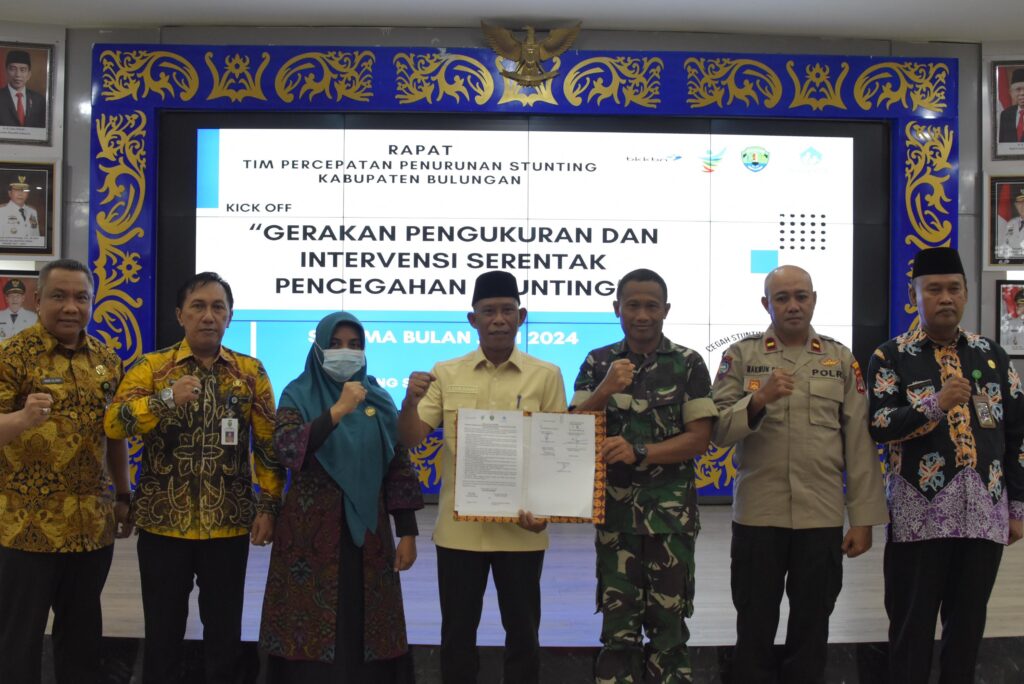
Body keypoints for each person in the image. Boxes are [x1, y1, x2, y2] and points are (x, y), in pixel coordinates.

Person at [104, 272, 285, 684]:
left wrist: (270, 505)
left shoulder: (249, 371)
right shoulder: (153, 368)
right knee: (163, 635)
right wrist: (165, 399)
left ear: (230, 316)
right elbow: (114, 423)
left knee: (224, 635)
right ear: (180, 315)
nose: (208, 316)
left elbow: (269, 445)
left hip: (227, 526)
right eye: (198, 307)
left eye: (218, 307)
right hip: (163, 526)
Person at [710, 265, 888, 684]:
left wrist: (862, 519)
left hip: (820, 516)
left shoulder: (840, 358)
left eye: (801, 296)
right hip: (758, 516)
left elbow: (859, 444)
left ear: (813, 299)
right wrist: (759, 399)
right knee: (753, 624)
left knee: (812, 626)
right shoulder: (741, 357)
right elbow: (717, 430)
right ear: (766, 304)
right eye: (782, 297)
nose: (793, 305)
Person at [397, 270, 566, 684]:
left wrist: (546, 514)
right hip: (459, 533)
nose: (498, 319)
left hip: (523, 529)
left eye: (508, 310)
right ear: (472, 319)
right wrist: (410, 400)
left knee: (524, 636)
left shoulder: (546, 375)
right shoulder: (446, 373)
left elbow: (556, 450)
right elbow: (411, 439)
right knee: (457, 636)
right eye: (488, 311)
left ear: (522, 316)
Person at [868, 247, 1024, 684]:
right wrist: (933, 406)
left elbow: (1017, 434)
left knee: (967, 630)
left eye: (953, 289)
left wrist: (1017, 508)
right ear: (914, 295)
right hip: (920, 521)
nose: (945, 298)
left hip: (985, 519)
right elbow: (879, 425)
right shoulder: (891, 356)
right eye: (933, 289)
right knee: (911, 629)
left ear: (967, 293)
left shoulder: (991, 355)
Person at [260, 312, 424, 683]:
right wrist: (336, 412)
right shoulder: (296, 394)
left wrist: (408, 533)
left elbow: (397, 465)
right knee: (309, 632)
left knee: (366, 626)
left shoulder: (378, 398)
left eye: (354, 345)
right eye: (335, 345)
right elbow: (287, 449)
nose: (345, 352)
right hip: (308, 539)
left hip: (369, 537)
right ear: (318, 348)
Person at [571, 268, 717, 684]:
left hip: (671, 523)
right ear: (617, 308)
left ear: (665, 310)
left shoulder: (688, 363)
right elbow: (572, 431)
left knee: (670, 633)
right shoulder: (598, 362)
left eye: (651, 305)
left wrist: (640, 452)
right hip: (616, 522)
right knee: (618, 635)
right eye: (632, 305)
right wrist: (604, 389)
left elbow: (699, 439)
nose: (641, 314)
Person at [0, 258, 132, 684]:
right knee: (18, 643)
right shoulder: (11, 356)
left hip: (90, 528)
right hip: (26, 530)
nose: (71, 306)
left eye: (81, 297)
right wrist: (21, 419)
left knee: (81, 642)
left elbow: (115, 434)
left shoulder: (108, 361)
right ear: (38, 300)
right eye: (59, 296)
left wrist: (124, 495)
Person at [0, 50, 46, 128]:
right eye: (13, 69)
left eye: (23, 70)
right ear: (6, 72)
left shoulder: (39, 100)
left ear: (29, 74)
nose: (18, 74)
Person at [997, 68, 1024, 144]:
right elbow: (1001, 143)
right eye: (1018, 89)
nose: (1022, 93)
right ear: (1011, 93)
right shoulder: (1005, 114)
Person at [997, 187, 1024, 258]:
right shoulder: (1011, 223)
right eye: (1020, 204)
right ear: (1016, 206)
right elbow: (1004, 242)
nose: (1023, 207)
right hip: (1011, 262)